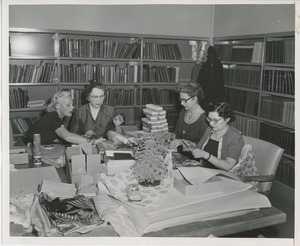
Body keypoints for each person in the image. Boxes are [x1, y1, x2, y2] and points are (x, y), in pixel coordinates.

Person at [23, 90, 104, 145]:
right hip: (29, 150)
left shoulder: (55, 116)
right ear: (58, 106)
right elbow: (67, 136)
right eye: (68, 105)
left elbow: (52, 138)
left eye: (72, 104)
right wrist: (92, 141)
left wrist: (81, 138)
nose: (73, 108)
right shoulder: (53, 117)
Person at [69, 82, 135, 145]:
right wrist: (84, 136)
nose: (99, 100)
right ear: (88, 97)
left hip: (105, 146)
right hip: (86, 145)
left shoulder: (110, 110)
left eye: (101, 96)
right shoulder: (79, 111)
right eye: (95, 97)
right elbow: (72, 136)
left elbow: (118, 136)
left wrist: (117, 125)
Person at [191, 102, 244, 171]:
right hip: (205, 170)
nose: (211, 123)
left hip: (223, 176)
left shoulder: (235, 137)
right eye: (209, 119)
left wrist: (206, 155)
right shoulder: (209, 130)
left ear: (227, 119)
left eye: (215, 120)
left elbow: (229, 166)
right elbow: (198, 148)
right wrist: (189, 146)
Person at [162, 82, 208, 150]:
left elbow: (203, 146)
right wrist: (168, 135)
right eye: (181, 99)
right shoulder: (183, 112)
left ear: (195, 99)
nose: (181, 103)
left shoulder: (205, 120)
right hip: (179, 152)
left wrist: (182, 142)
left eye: (184, 100)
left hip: (194, 157)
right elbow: (176, 134)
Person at [196, 46, 225, 110]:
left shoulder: (218, 64)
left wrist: (222, 93)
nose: (211, 55)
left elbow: (221, 80)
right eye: (210, 53)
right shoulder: (205, 65)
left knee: (215, 109)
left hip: (216, 92)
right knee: (206, 108)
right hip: (206, 92)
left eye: (212, 53)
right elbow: (200, 80)